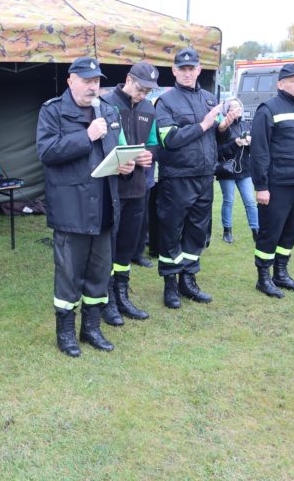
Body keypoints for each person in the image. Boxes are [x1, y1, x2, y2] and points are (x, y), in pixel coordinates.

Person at [37, 56, 134, 357]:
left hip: (105, 205)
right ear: (71, 80)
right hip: (71, 208)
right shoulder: (52, 111)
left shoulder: (108, 109)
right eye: (87, 81)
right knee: (68, 275)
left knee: (99, 273)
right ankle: (65, 332)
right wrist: (86, 135)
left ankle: (91, 327)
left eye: (97, 81)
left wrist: (124, 164)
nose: (93, 87)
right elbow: (47, 151)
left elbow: (113, 150)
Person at [154, 47, 231, 309]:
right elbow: (170, 140)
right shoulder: (165, 101)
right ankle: (170, 285)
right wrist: (205, 124)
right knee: (171, 230)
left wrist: (222, 127)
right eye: (182, 69)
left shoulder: (210, 99)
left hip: (204, 176)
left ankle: (189, 280)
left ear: (199, 70)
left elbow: (218, 137)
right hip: (176, 178)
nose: (187, 73)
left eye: (192, 69)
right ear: (174, 71)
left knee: (197, 231)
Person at [250, 63, 294, 298]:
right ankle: (263, 278)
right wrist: (261, 186)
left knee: (291, 231)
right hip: (276, 185)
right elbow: (259, 151)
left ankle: (281, 273)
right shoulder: (268, 109)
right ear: (281, 84)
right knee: (271, 232)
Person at [99, 61, 159, 325]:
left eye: (148, 91)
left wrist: (149, 155)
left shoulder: (148, 108)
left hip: (138, 189)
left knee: (126, 247)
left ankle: (122, 295)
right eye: (141, 89)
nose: (143, 95)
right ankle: (106, 299)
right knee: (108, 248)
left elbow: (155, 143)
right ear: (128, 79)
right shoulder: (106, 104)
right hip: (111, 189)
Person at [215, 97, 259, 243]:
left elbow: (253, 150)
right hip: (227, 170)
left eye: (239, 106)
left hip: (245, 169)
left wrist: (250, 143)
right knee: (229, 200)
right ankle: (227, 230)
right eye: (233, 107)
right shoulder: (222, 128)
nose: (237, 109)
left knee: (250, 201)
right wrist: (236, 143)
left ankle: (256, 230)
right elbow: (218, 151)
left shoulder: (246, 124)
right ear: (227, 111)